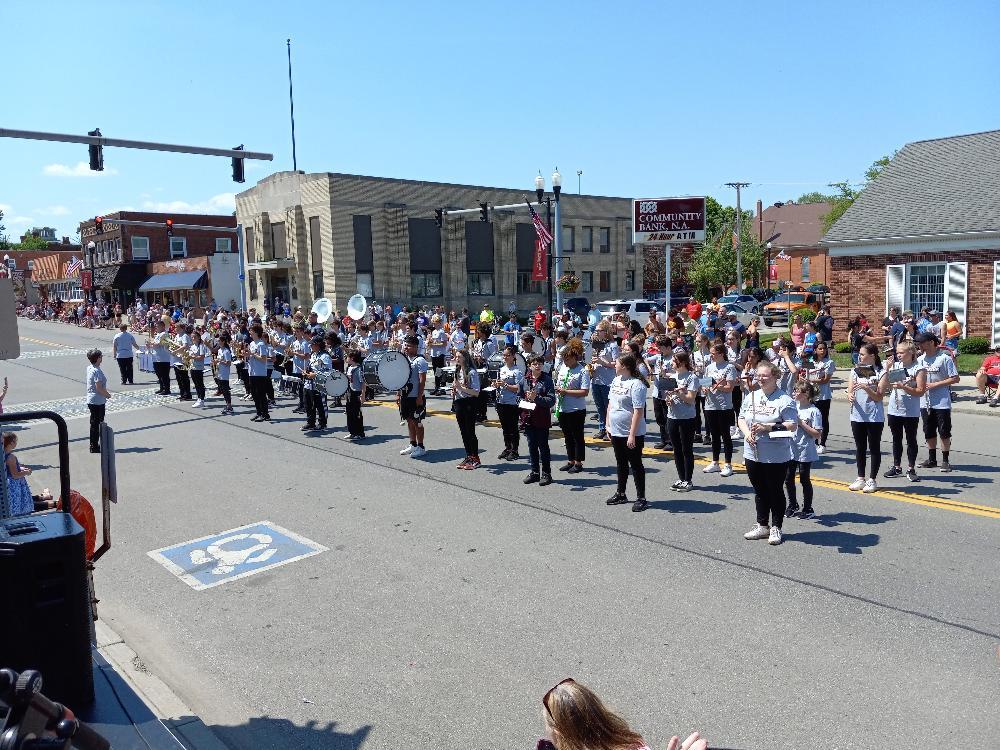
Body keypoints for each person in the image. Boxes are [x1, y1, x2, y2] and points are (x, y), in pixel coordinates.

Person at [738, 361, 799, 545]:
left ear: (775, 377)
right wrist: (747, 433)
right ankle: (762, 525)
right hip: (753, 452)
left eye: (765, 375)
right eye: (758, 375)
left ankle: (776, 527)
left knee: (775, 490)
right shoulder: (752, 396)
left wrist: (768, 427)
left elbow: (792, 425)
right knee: (760, 490)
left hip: (776, 455)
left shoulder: (784, 399)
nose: (761, 378)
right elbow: (741, 418)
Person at [605, 353, 649, 511]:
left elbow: (638, 411)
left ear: (624, 366)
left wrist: (632, 434)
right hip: (616, 429)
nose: (614, 365)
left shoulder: (637, 384)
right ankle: (621, 493)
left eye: (616, 363)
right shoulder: (616, 380)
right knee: (621, 463)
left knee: (636, 464)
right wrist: (607, 425)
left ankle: (641, 497)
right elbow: (610, 404)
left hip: (632, 433)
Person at [883, 340, 927, 482]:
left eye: (901, 352)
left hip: (910, 410)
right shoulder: (896, 366)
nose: (898, 355)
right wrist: (887, 370)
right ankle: (897, 467)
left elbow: (920, 392)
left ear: (911, 353)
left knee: (911, 439)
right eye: (897, 352)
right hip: (894, 408)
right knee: (896, 439)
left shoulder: (919, 369)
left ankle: (911, 468)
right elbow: (889, 386)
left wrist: (904, 387)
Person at [916, 332, 959, 472]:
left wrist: (935, 385)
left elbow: (955, 378)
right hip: (925, 402)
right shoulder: (920, 359)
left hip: (942, 402)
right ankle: (932, 459)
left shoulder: (944, 358)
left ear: (931, 342)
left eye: (922, 342)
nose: (920, 345)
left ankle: (945, 460)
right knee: (928, 431)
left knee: (944, 431)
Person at [847, 343, 887, 492]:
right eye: (859, 353)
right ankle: (860, 478)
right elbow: (850, 390)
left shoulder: (881, 372)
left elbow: (878, 396)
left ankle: (872, 479)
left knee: (874, 447)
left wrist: (866, 388)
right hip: (857, 414)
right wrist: (850, 395)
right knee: (860, 447)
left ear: (872, 356)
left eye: (863, 354)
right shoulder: (855, 371)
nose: (860, 356)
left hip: (874, 416)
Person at [553, 338, 590, 474]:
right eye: (564, 359)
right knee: (567, 435)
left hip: (576, 409)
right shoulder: (563, 368)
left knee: (577, 436)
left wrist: (566, 391)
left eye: (567, 359)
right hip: (563, 407)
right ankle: (571, 460)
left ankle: (579, 462)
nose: (565, 362)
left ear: (575, 358)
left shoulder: (583, 371)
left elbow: (584, 391)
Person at [786, 381, 822, 518]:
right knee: (788, 478)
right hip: (791, 447)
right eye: (794, 390)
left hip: (805, 448)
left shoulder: (814, 411)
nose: (794, 393)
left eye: (797, 391)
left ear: (806, 394)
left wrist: (801, 423)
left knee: (804, 478)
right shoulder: (793, 407)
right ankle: (793, 504)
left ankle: (808, 508)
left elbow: (817, 434)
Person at [665, 350, 699, 492]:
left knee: (686, 449)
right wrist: (669, 399)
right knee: (676, 449)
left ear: (683, 362)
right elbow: (667, 396)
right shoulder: (673, 377)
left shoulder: (692, 378)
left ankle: (688, 480)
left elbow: (691, 399)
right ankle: (681, 478)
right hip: (672, 416)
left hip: (687, 418)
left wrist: (679, 392)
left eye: (674, 361)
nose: (672, 363)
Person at [702, 343, 737, 477]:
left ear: (721, 353)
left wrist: (718, 387)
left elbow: (730, 388)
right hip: (710, 405)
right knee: (714, 435)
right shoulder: (709, 367)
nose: (711, 355)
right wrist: (705, 388)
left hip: (724, 406)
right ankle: (715, 462)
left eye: (713, 353)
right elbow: (704, 385)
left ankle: (728, 464)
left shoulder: (729, 368)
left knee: (725, 435)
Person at [519, 356, 556, 486]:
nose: (537, 366)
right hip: (528, 418)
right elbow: (518, 398)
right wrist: (523, 407)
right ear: (529, 365)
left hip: (542, 418)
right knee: (532, 446)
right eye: (534, 364)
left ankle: (546, 473)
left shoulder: (547, 380)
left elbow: (551, 400)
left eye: (540, 363)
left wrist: (537, 398)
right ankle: (535, 472)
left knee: (543, 447)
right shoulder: (525, 380)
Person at [451, 349, 482, 469]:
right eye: (456, 356)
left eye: (459, 357)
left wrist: (461, 388)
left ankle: (475, 458)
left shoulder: (472, 372)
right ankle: (469, 456)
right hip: (459, 402)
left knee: (470, 431)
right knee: (463, 431)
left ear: (465, 358)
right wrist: (454, 390)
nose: (457, 358)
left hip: (469, 403)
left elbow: (476, 392)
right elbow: (457, 386)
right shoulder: (457, 370)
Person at [399, 335, 428, 458]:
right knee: (409, 420)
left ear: (416, 347)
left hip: (415, 396)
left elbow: (422, 380)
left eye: (409, 345)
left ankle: (421, 447)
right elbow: (400, 379)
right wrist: (398, 394)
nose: (406, 347)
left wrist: (419, 396)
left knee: (417, 422)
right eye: (405, 345)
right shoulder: (404, 359)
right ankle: (413, 444)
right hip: (405, 395)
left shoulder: (420, 361)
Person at [493, 346, 524, 460]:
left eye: (508, 355)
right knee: (505, 427)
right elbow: (499, 384)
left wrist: (505, 385)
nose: (505, 357)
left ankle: (514, 450)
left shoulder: (517, 371)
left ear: (513, 357)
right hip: (501, 401)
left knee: (513, 427)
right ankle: (508, 448)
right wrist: (496, 385)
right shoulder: (501, 369)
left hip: (512, 403)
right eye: (504, 355)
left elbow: (518, 388)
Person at [589, 326, 620, 440]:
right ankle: (602, 428)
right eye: (596, 331)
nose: (596, 333)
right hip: (596, 379)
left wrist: (602, 362)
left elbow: (616, 364)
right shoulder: (596, 345)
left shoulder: (613, 345)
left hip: (607, 380)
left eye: (599, 331)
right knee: (599, 406)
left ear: (605, 332)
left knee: (608, 407)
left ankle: (610, 429)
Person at [806, 341, 836, 454]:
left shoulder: (829, 362)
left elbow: (826, 380)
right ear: (815, 350)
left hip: (823, 395)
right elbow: (805, 373)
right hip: (811, 395)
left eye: (824, 348)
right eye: (820, 349)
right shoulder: (810, 361)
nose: (822, 351)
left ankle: (822, 444)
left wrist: (812, 380)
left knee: (823, 420)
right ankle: (814, 442)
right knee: (812, 419)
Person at [647, 335, 675, 450]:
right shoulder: (659, 357)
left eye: (661, 347)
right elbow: (645, 359)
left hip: (668, 392)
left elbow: (678, 375)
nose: (659, 350)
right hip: (657, 391)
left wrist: (666, 374)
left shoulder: (674, 358)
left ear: (668, 347)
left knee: (668, 417)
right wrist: (650, 369)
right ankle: (664, 439)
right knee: (660, 418)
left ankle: (671, 441)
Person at [4, 432, 37, 516]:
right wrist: (26, 472)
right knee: (20, 505)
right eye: (15, 441)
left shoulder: (3, 454)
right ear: (11, 443)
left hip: (7, 483)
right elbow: (15, 475)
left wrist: (20, 468)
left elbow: (8, 469)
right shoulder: (11, 457)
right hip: (14, 485)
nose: (16, 443)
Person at [302, 336, 331, 432]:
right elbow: (312, 367)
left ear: (318, 345)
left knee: (320, 404)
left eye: (312, 344)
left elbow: (328, 371)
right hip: (309, 383)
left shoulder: (325, 356)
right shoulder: (313, 354)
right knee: (308, 403)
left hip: (319, 384)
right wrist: (306, 372)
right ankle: (311, 422)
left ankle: (322, 423)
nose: (310, 346)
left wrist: (315, 374)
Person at [86, 348, 112, 454]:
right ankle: (94, 446)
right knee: (97, 424)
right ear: (97, 358)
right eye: (101, 356)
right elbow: (99, 388)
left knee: (94, 423)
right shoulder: (96, 371)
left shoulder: (90, 368)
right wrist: (108, 395)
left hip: (92, 399)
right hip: (98, 401)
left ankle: (94, 444)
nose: (102, 358)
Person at [247, 324, 272, 422]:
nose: (250, 332)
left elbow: (263, 359)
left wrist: (253, 354)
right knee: (254, 394)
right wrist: (248, 355)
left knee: (261, 394)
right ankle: (258, 412)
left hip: (260, 373)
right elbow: (252, 356)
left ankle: (265, 414)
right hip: (252, 372)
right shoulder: (252, 343)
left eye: (252, 330)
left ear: (256, 332)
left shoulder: (261, 344)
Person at [345, 350, 366, 439]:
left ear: (352, 358)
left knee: (357, 414)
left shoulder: (359, 369)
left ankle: (360, 433)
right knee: (349, 413)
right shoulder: (349, 367)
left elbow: (363, 383)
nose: (346, 358)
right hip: (350, 392)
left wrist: (363, 394)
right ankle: (352, 432)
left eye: (348, 357)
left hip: (357, 392)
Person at [148, 321, 172, 395]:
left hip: (163, 358)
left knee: (164, 375)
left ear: (162, 327)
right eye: (156, 326)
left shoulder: (165, 334)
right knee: (159, 374)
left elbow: (159, 344)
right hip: (157, 357)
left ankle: (167, 389)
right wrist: (150, 345)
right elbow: (155, 344)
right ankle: (162, 388)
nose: (156, 328)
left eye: (157, 326)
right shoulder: (158, 334)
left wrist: (152, 344)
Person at [188, 332, 210, 408]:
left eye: (194, 337)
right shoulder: (192, 346)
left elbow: (201, 357)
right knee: (196, 384)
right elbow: (190, 355)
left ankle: (202, 399)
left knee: (200, 384)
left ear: (198, 338)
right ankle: (199, 398)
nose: (193, 338)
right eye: (192, 337)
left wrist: (192, 357)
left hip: (198, 367)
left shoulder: (201, 346)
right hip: (192, 366)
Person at [215, 334, 234, 416]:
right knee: (222, 389)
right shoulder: (220, 350)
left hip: (224, 373)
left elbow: (228, 363)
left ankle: (229, 405)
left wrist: (219, 361)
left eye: (219, 341)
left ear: (223, 341)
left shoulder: (226, 351)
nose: (218, 342)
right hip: (219, 372)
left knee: (225, 390)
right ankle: (227, 405)